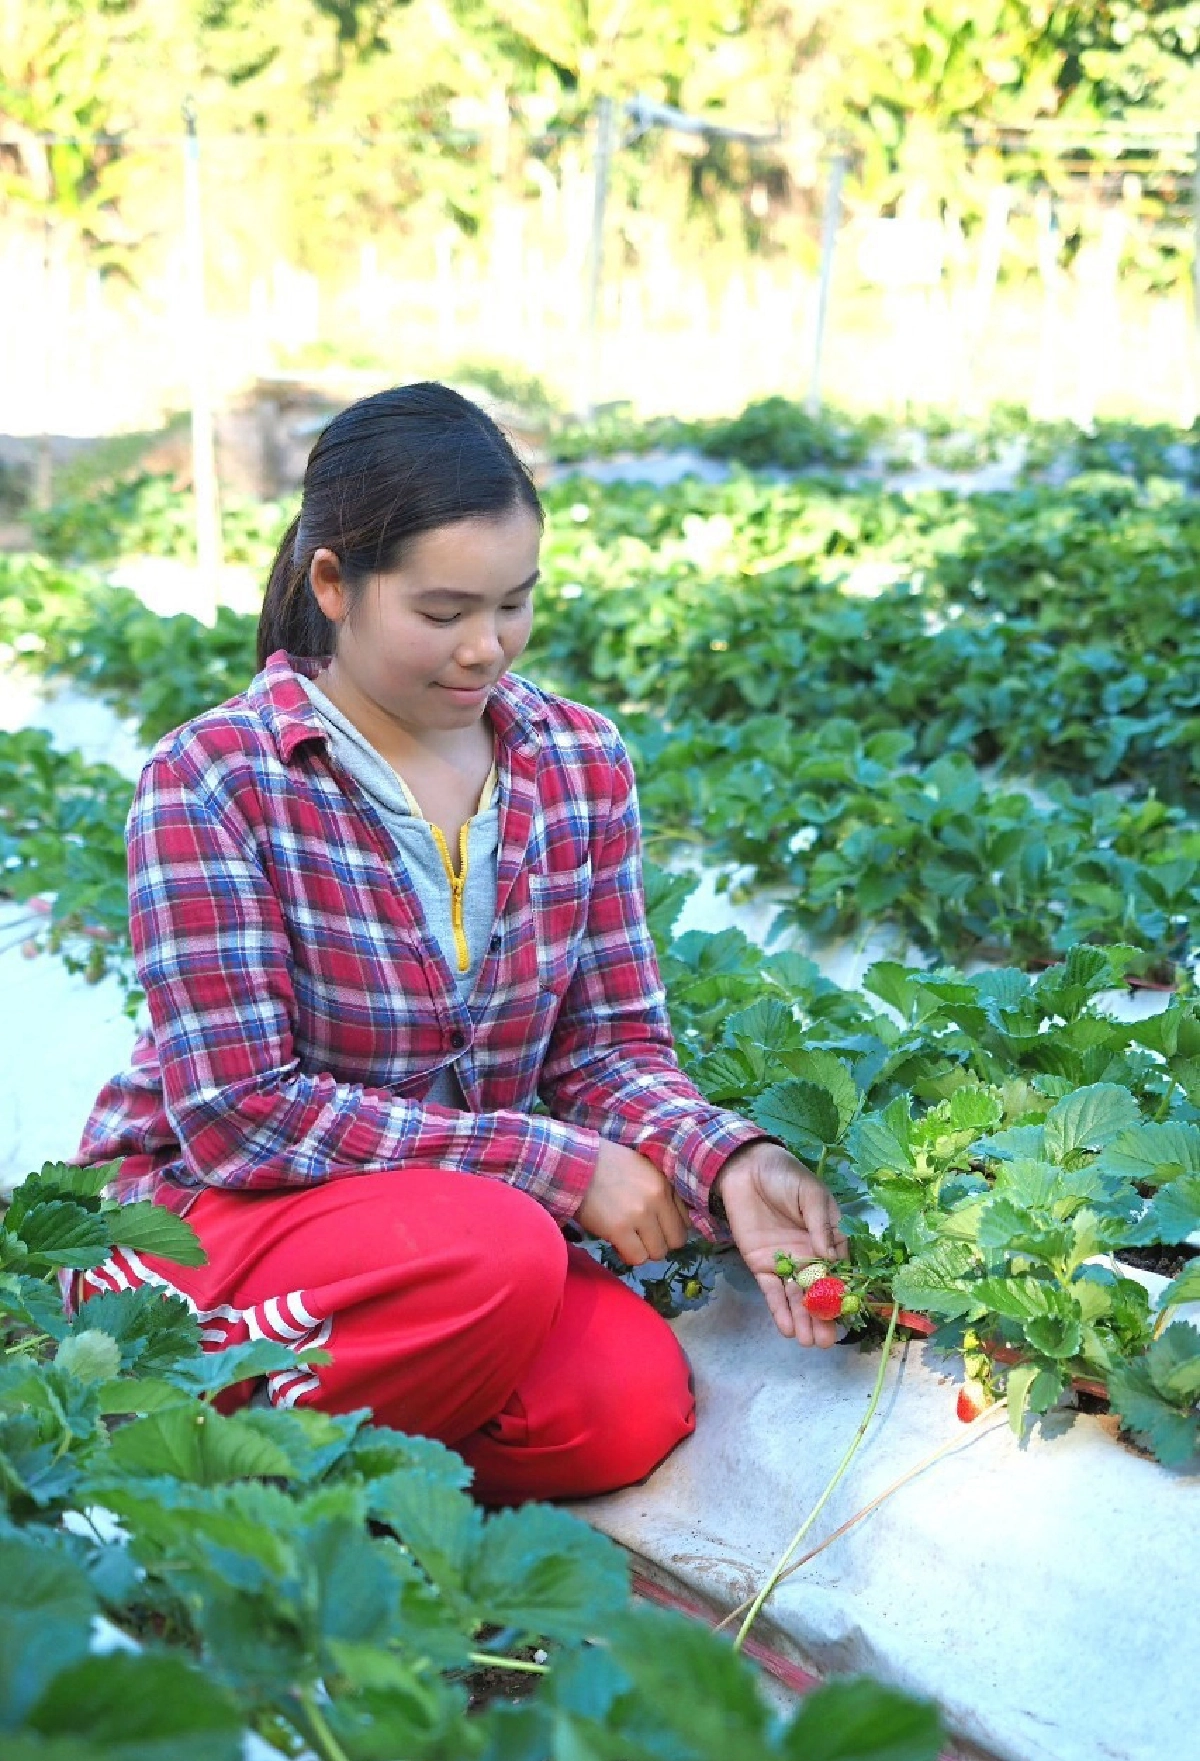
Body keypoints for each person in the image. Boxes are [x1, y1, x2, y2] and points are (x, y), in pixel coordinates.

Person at [75, 382, 848, 1509]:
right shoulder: (218, 780)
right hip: (224, 1213)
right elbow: (239, 1114)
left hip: (436, 1243)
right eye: (441, 612)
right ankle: (163, 1401)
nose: (486, 648)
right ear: (332, 583)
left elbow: (606, 1046)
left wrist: (728, 1157)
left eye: (515, 604)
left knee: (622, 1406)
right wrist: (557, 1165)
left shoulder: (577, 762)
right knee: (499, 1248)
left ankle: (303, 1438)